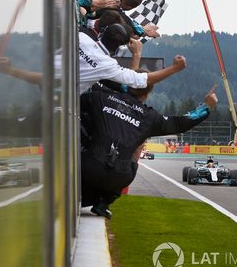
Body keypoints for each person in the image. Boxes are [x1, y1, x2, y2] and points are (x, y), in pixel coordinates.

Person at [80, 81, 218, 218]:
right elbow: (180, 123)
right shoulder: (149, 117)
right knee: (139, 146)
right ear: (147, 94)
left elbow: (71, 101)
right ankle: (104, 203)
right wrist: (206, 106)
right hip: (120, 177)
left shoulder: (100, 97)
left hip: (87, 168)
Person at [77, 23, 187, 94]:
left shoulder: (81, 36)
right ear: (121, 49)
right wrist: (174, 68)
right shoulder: (108, 66)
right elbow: (139, 81)